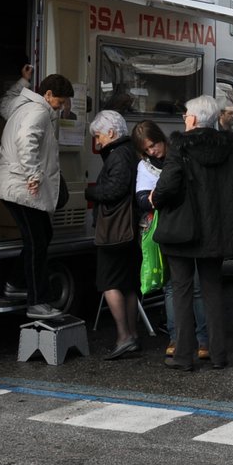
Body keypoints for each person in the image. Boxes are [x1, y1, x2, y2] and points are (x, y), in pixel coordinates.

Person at [151, 95, 233, 371]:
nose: (184, 118)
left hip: (182, 230)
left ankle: (184, 356)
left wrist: (156, 199)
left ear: (194, 119)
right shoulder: (231, 147)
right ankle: (218, 354)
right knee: (212, 290)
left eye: (186, 114)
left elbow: (168, 184)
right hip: (217, 229)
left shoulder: (180, 147)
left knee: (182, 291)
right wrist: (232, 203)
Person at [0, 73, 73, 319]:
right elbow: (26, 141)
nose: (61, 108)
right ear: (48, 95)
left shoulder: (22, 106)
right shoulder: (38, 112)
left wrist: (21, 82)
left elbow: (3, 105)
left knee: (41, 236)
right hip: (21, 187)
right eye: (60, 102)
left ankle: (16, 284)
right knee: (37, 241)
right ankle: (37, 301)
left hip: (14, 185)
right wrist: (33, 175)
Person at [133, 121, 207, 361]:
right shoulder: (145, 166)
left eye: (153, 145)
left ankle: (202, 339)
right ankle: (176, 338)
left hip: (185, 226)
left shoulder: (181, 153)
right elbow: (142, 199)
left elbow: (153, 197)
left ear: (161, 138)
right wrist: (154, 198)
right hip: (165, 229)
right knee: (171, 287)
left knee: (194, 286)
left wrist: (157, 197)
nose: (152, 152)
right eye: (147, 150)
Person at [89, 110, 141, 360]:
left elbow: (114, 190)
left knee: (108, 282)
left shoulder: (118, 155)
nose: (97, 142)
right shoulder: (129, 152)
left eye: (99, 136)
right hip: (129, 229)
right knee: (128, 284)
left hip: (115, 231)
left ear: (110, 133)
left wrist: (91, 193)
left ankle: (124, 336)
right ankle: (132, 334)